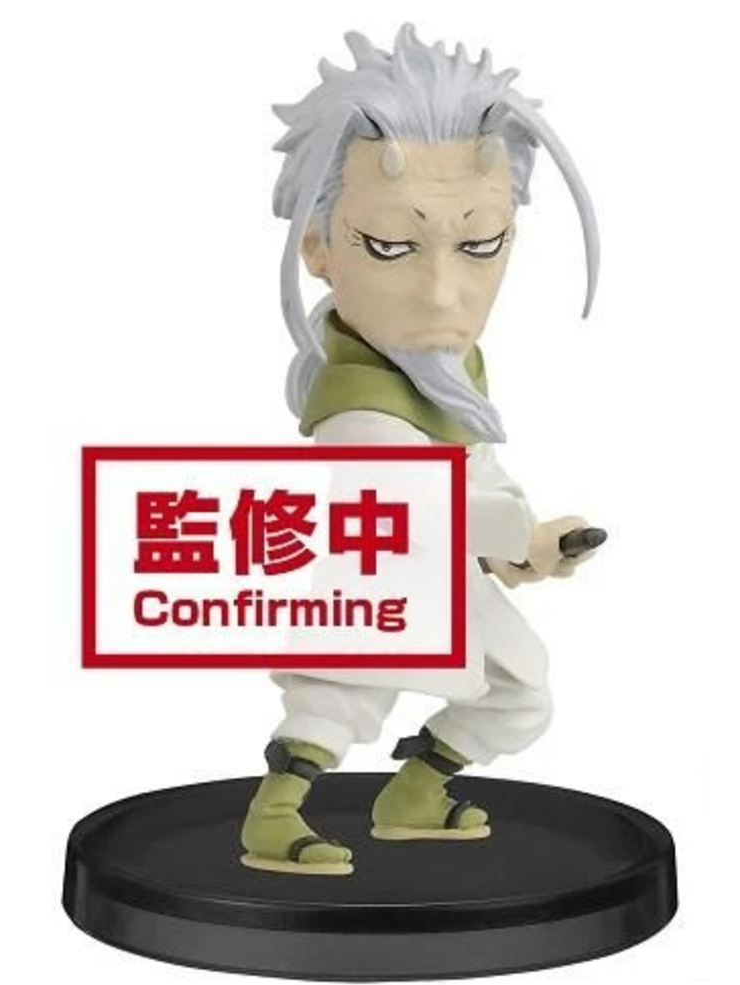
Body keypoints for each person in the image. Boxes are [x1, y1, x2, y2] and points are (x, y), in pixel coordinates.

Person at [241, 23, 601, 875]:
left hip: (448, 570)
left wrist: (522, 547)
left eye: (479, 245)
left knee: (521, 689)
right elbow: (409, 501)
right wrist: (512, 535)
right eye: (391, 247)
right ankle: (273, 814)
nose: (443, 293)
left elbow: (471, 468)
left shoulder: (448, 374)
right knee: (343, 690)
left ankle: (415, 795)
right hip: (380, 570)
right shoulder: (358, 402)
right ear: (320, 246)